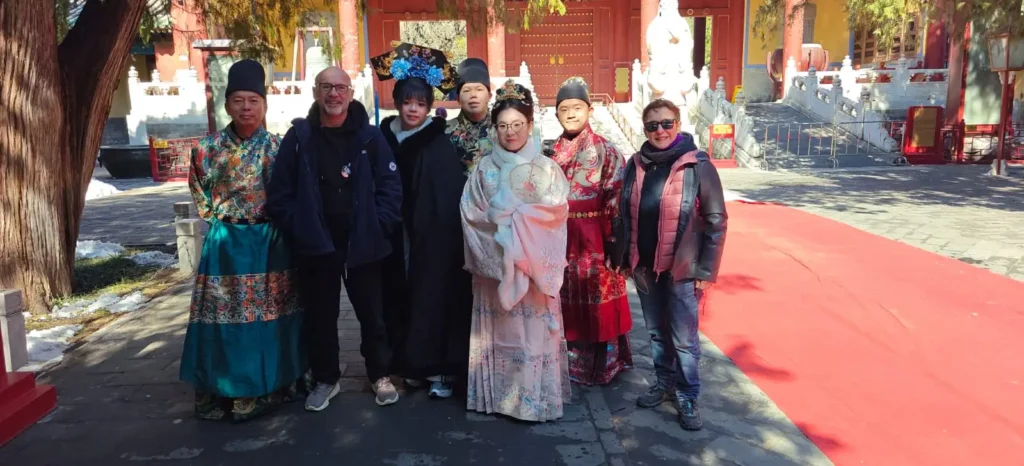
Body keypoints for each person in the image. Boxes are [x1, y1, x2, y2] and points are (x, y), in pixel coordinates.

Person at [266, 66, 403, 410]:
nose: (334, 94)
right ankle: (327, 378)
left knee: (373, 313)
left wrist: (379, 223)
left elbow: (390, 188)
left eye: (340, 87)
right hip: (317, 242)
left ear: (351, 92)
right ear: (315, 92)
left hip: (364, 241)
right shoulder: (299, 138)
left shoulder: (370, 138)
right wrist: (300, 226)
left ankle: (380, 375)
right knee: (320, 315)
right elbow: (279, 194)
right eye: (326, 87)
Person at [180, 59, 309, 422]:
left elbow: (291, 192)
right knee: (223, 319)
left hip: (271, 241)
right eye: (238, 100)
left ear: (265, 105)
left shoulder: (279, 147)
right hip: (226, 245)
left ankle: (270, 385)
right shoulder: (206, 149)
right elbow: (199, 193)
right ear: (227, 104)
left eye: (254, 100)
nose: (246, 108)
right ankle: (222, 388)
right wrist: (225, 223)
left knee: (273, 317)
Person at [610, 98, 728, 431]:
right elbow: (623, 215)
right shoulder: (635, 164)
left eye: (667, 123)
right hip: (645, 266)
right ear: (644, 128)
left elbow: (717, 219)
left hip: (682, 268)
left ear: (678, 124)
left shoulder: (697, 164)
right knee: (656, 333)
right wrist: (622, 258)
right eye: (652, 125)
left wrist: (706, 270)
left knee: (684, 339)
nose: (660, 130)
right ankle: (664, 385)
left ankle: (688, 393)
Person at [461, 80, 572, 422]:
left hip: (535, 270)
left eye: (517, 125)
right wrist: (503, 249)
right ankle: (500, 399)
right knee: (502, 336)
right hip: (497, 269)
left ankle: (534, 400)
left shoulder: (547, 169)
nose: (511, 133)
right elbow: (470, 213)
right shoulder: (482, 169)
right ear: (494, 129)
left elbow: (556, 217)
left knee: (533, 338)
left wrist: (523, 234)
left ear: (530, 126)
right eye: (503, 126)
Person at [377, 57, 472, 399]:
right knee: (391, 297)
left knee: (429, 296)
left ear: (430, 106)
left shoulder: (436, 141)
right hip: (389, 231)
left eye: (420, 103)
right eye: (407, 102)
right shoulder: (382, 137)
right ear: (397, 102)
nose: (413, 109)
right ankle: (399, 363)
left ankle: (429, 364)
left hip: (428, 235)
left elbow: (444, 195)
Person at [549, 77, 633, 386]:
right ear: (556, 114)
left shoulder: (606, 151)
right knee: (565, 298)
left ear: (590, 109)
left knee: (598, 300)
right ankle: (569, 361)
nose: (570, 114)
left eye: (576, 108)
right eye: (564, 109)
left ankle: (604, 363)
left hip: (595, 235)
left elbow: (618, 197)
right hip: (560, 237)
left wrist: (616, 242)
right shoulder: (552, 153)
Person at [446, 58, 494, 175]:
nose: (473, 95)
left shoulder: (503, 128)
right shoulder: (444, 131)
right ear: (458, 98)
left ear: (489, 96)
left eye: (479, 89)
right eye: (466, 90)